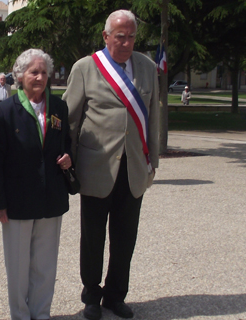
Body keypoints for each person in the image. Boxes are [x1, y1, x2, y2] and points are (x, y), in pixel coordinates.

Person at [63, 10, 159, 320]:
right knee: (92, 237)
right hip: (96, 168)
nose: (127, 42)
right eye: (120, 36)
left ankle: (116, 295)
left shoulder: (146, 67)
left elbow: (153, 118)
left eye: (131, 36)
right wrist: (70, 166)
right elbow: (71, 120)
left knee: (125, 238)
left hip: (132, 169)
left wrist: (152, 161)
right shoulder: (85, 68)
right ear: (106, 37)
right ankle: (91, 294)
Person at [0, 48, 72, 320]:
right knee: (19, 267)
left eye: (44, 72)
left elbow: (66, 143)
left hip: (51, 198)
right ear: (20, 76)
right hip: (17, 202)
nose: (40, 77)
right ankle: (21, 315)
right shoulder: (4, 111)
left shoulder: (59, 107)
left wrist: (69, 158)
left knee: (45, 266)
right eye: (34, 72)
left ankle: (41, 313)